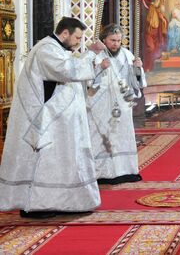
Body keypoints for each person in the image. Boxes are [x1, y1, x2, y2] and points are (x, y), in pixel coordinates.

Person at [0, 17, 107, 218]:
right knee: (43, 161)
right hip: (44, 119)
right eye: (76, 37)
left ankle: (59, 202)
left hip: (58, 120)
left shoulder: (57, 50)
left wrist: (92, 61)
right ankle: (36, 205)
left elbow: (71, 71)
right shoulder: (45, 50)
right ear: (64, 33)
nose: (78, 42)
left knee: (60, 161)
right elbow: (67, 71)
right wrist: (91, 53)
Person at [88, 24, 146, 184]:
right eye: (112, 40)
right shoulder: (96, 55)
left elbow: (135, 82)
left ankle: (125, 171)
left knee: (121, 136)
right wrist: (100, 67)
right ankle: (102, 173)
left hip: (121, 105)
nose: (116, 44)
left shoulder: (127, 55)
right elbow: (86, 79)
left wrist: (137, 69)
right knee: (103, 137)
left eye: (119, 40)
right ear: (104, 39)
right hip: (101, 105)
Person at [143, 0, 168, 71]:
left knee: (156, 49)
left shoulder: (159, 9)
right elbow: (156, 6)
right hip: (151, 31)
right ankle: (148, 67)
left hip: (157, 32)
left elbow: (162, 17)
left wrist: (163, 20)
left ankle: (151, 68)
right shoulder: (153, 6)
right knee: (151, 48)